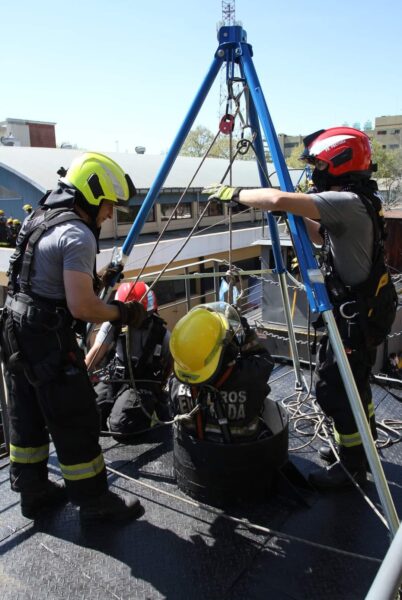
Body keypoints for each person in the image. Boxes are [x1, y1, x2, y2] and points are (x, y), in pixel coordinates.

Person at [203, 127, 397, 489]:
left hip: (354, 317)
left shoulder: (347, 201)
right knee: (355, 384)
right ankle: (360, 444)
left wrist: (237, 194)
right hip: (362, 312)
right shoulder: (359, 201)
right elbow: (323, 236)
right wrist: (288, 215)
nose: (314, 173)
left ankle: (353, 464)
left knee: (335, 389)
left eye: (319, 165)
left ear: (339, 163)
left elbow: (277, 197)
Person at [0, 151, 148, 521]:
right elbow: (82, 307)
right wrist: (123, 312)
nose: (110, 214)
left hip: (15, 332)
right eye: (108, 204)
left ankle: (33, 494)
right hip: (46, 339)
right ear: (92, 196)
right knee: (74, 416)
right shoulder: (78, 234)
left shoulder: (39, 218)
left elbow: (43, 279)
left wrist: (96, 280)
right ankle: (95, 503)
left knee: (26, 414)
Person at [169, 302, 275, 443]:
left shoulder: (175, 384)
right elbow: (264, 359)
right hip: (245, 452)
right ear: (227, 350)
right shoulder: (249, 376)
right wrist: (244, 330)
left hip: (195, 454)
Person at [85, 281, 172, 437]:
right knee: (90, 415)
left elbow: (170, 365)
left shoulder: (161, 334)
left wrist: (159, 390)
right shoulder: (113, 325)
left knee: (121, 425)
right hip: (116, 376)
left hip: (143, 382)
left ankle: (150, 414)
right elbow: (95, 353)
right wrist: (78, 380)